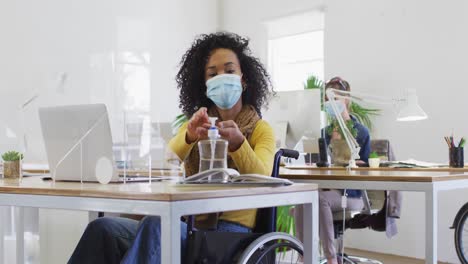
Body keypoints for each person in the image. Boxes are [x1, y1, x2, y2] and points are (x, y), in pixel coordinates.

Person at [68, 32, 276, 264]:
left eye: (229, 71)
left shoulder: (261, 129)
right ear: (205, 85)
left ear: (244, 79)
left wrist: (239, 144)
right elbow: (168, 161)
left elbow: (263, 177)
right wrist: (188, 136)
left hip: (230, 234)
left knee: (158, 224)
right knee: (103, 228)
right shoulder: (199, 123)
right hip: (190, 225)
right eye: (212, 74)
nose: (221, 77)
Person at [295, 77, 370, 264]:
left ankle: (331, 258)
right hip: (327, 190)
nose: (330, 103)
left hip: (351, 195)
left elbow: (367, 167)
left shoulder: (360, 132)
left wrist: (348, 158)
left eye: (335, 98)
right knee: (301, 198)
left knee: (319, 199)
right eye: (327, 99)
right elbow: (318, 161)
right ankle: (302, 254)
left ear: (346, 99)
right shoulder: (324, 132)